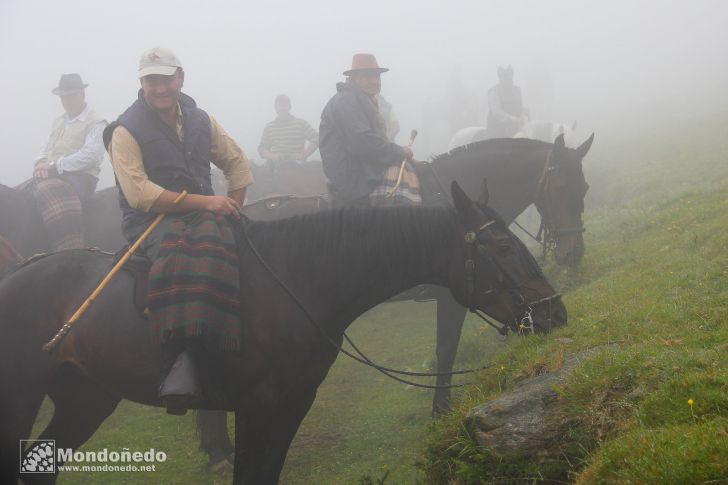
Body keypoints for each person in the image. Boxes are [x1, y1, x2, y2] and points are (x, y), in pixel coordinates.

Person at [105, 47, 254, 415]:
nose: (160, 88)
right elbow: (140, 194)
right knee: (189, 256)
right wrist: (209, 204)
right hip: (151, 223)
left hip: (206, 217)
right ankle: (183, 359)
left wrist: (231, 206)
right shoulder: (123, 130)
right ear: (142, 83)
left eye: (166, 79)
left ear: (180, 78)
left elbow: (237, 162)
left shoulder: (200, 119)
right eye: (152, 80)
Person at [319, 53, 419, 207]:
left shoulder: (361, 100)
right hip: (355, 179)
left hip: (365, 170)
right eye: (367, 76)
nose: (374, 81)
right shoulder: (347, 101)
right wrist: (400, 152)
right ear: (354, 78)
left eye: (377, 77)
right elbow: (363, 142)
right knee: (406, 204)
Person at [30, 73, 106, 250]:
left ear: (82, 94)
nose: (67, 100)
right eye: (64, 96)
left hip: (80, 177)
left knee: (51, 193)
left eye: (71, 95)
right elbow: (45, 147)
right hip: (51, 173)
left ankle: (70, 251)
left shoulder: (96, 122)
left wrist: (54, 167)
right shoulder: (59, 121)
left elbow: (90, 156)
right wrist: (41, 163)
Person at [257, 94, 318, 165]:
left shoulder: (300, 124)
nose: (282, 108)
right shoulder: (269, 127)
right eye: (279, 105)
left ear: (289, 107)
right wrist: (273, 156)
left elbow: (316, 138)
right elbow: (261, 148)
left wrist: (304, 155)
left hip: (297, 166)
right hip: (274, 167)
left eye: (284, 105)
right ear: (275, 107)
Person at [486, 65, 529, 138]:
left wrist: (524, 112)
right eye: (504, 76)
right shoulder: (494, 92)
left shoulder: (517, 90)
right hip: (498, 127)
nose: (507, 78)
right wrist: (513, 119)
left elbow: (520, 106)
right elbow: (497, 112)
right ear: (500, 78)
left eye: (509, 76)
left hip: (515, 127)